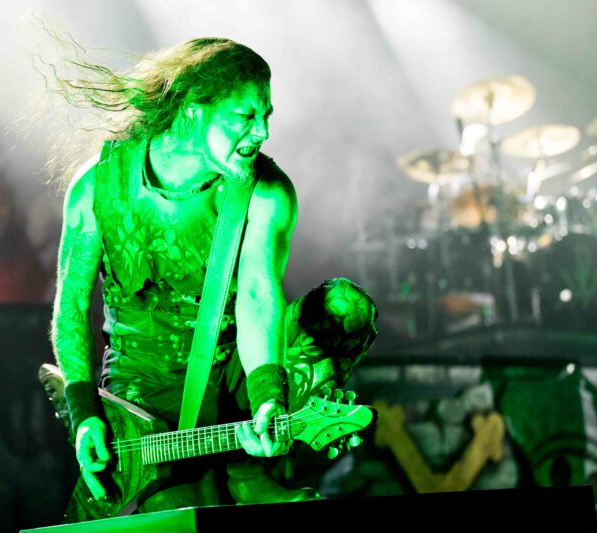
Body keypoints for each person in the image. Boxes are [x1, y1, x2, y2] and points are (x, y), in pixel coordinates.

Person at [47, 37, 377, 514]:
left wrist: (268, 398)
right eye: (245, 116)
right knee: (178, 513)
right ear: (193, 109)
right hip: (143, 386)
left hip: (236, 369)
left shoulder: (266, 193)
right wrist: (84, 413)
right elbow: (72, 307)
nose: (262, 131)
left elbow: (259, 294)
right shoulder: (96, 187)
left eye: (266, 115)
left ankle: (249, 465)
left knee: (344, 309)